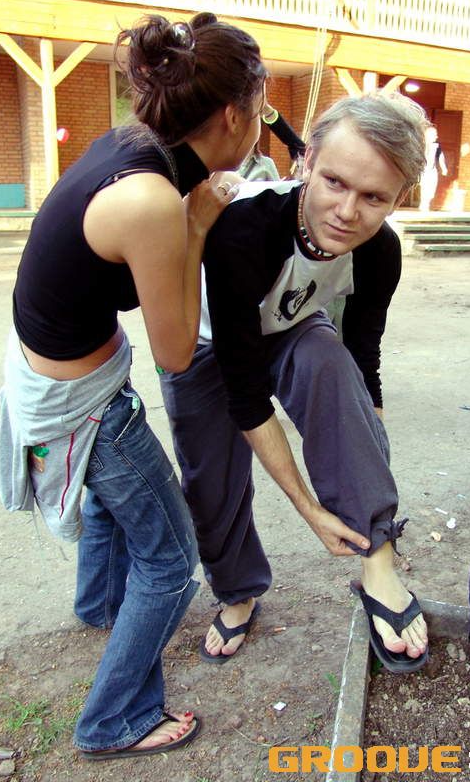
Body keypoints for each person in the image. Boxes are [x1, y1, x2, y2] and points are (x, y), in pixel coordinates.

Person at [0, 12, 267, 760]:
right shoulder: (151, 200)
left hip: (50, 372)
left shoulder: (132, 143)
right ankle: (114, 720)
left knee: (115, 504)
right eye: (262, 107)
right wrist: (198, 225)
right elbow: (176, 354)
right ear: (232, 114)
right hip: (81, 405)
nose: (263, 123)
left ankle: (100, 606)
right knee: (172, 562)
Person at [160, 93, 431, 673]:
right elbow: (245, 395)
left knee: (330, 361)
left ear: (399, 198)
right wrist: (309, 508)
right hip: (205, 344)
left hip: (291, 327)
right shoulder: (246, 228)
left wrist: (367, 451)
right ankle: (238, 592)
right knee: (212, 481)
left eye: (374, 197)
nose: (347, 212)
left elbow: (363, 359)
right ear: (306, 162)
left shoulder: (381, 251)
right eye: (334, 182)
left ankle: (378, 559)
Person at [419, 125, 447, 212]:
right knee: (425, 187)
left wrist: (444, 168)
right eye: (435, 134)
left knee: (431, 188)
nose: (436, 136)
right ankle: (424, 204)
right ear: (428, 135)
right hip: (423, 171)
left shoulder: (436, 146)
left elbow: (440, 157)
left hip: (432, 170)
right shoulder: (421, 145)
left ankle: (426, 203)